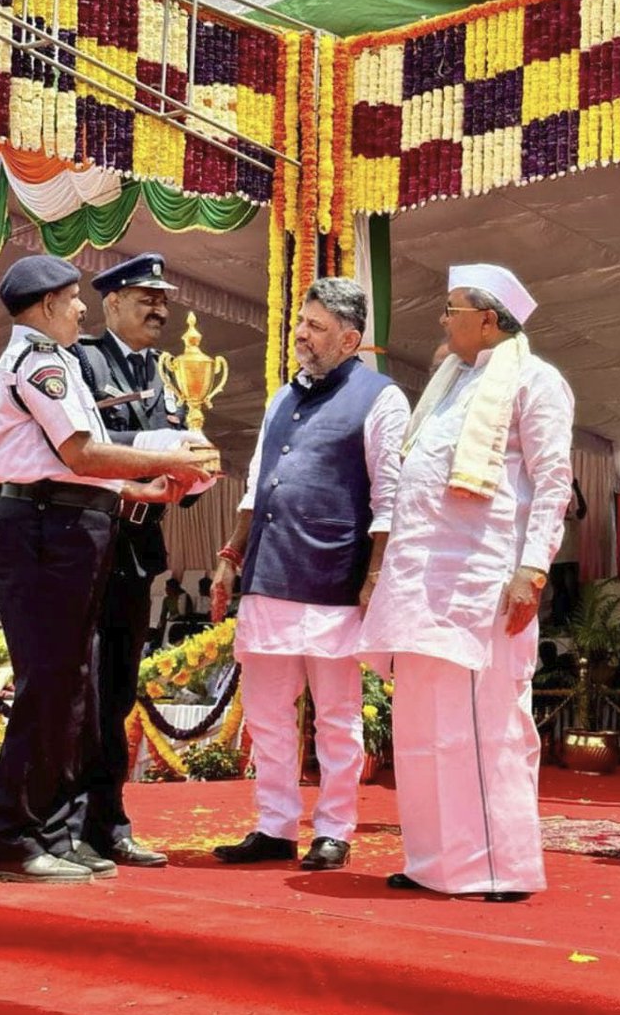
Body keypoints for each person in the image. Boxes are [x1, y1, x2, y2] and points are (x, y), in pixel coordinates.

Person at [0, 254, 219, 885]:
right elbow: (80, 452)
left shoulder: (56, 359)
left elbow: (74, 463)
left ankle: (57, 830)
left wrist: (148, 488)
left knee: (77, 690)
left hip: (74, 523)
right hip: (43, 528)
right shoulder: (42, 362)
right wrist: (171, 461)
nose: (81, 308)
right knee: (50, 687)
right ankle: (10, 837)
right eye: (74, 298)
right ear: (49, 304)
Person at [360, 263, 574, 902]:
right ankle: (435, 862)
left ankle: (498, 867)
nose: (442, 318)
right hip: (424, 582)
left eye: (451, 308)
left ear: (488, 319)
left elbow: (553, 480)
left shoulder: (536, 381)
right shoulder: (450, 382)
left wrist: (532, 568)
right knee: (423, 727)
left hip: (484, 580)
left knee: (486, 728)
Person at [211, 276, 410, 872]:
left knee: (337, 716)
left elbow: (390, 496)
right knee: (268, 714)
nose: (301, 335)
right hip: (269, 573)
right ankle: (274, 826)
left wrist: (375, 576)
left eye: (316, 328)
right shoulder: (279, 398)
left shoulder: (382, 398)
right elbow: (254, 486)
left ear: (349, 340)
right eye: (300, 323)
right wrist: (231, 554)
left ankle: (334, 828)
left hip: (333, 578)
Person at [68, 251, 214, 869]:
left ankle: (108, 821)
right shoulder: (80, 361)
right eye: (145, 299)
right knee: (81, 689)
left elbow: (183, 447)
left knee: (120, 691)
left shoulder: (168, 374)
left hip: (139, 550)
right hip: (87, 541)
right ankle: (67, 822)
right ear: (112, 304)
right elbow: (82, 447)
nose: (159, 309)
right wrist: (158, 453)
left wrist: (192, 473)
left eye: (163, 300)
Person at [550, 477, 587, 626]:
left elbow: (583, 509)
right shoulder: (554, 519)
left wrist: (577, 489)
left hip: (571, 560)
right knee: (558, 592)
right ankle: (559, 623)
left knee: (573, 593)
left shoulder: (575, 517)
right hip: (556, 561)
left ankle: (575, 624)